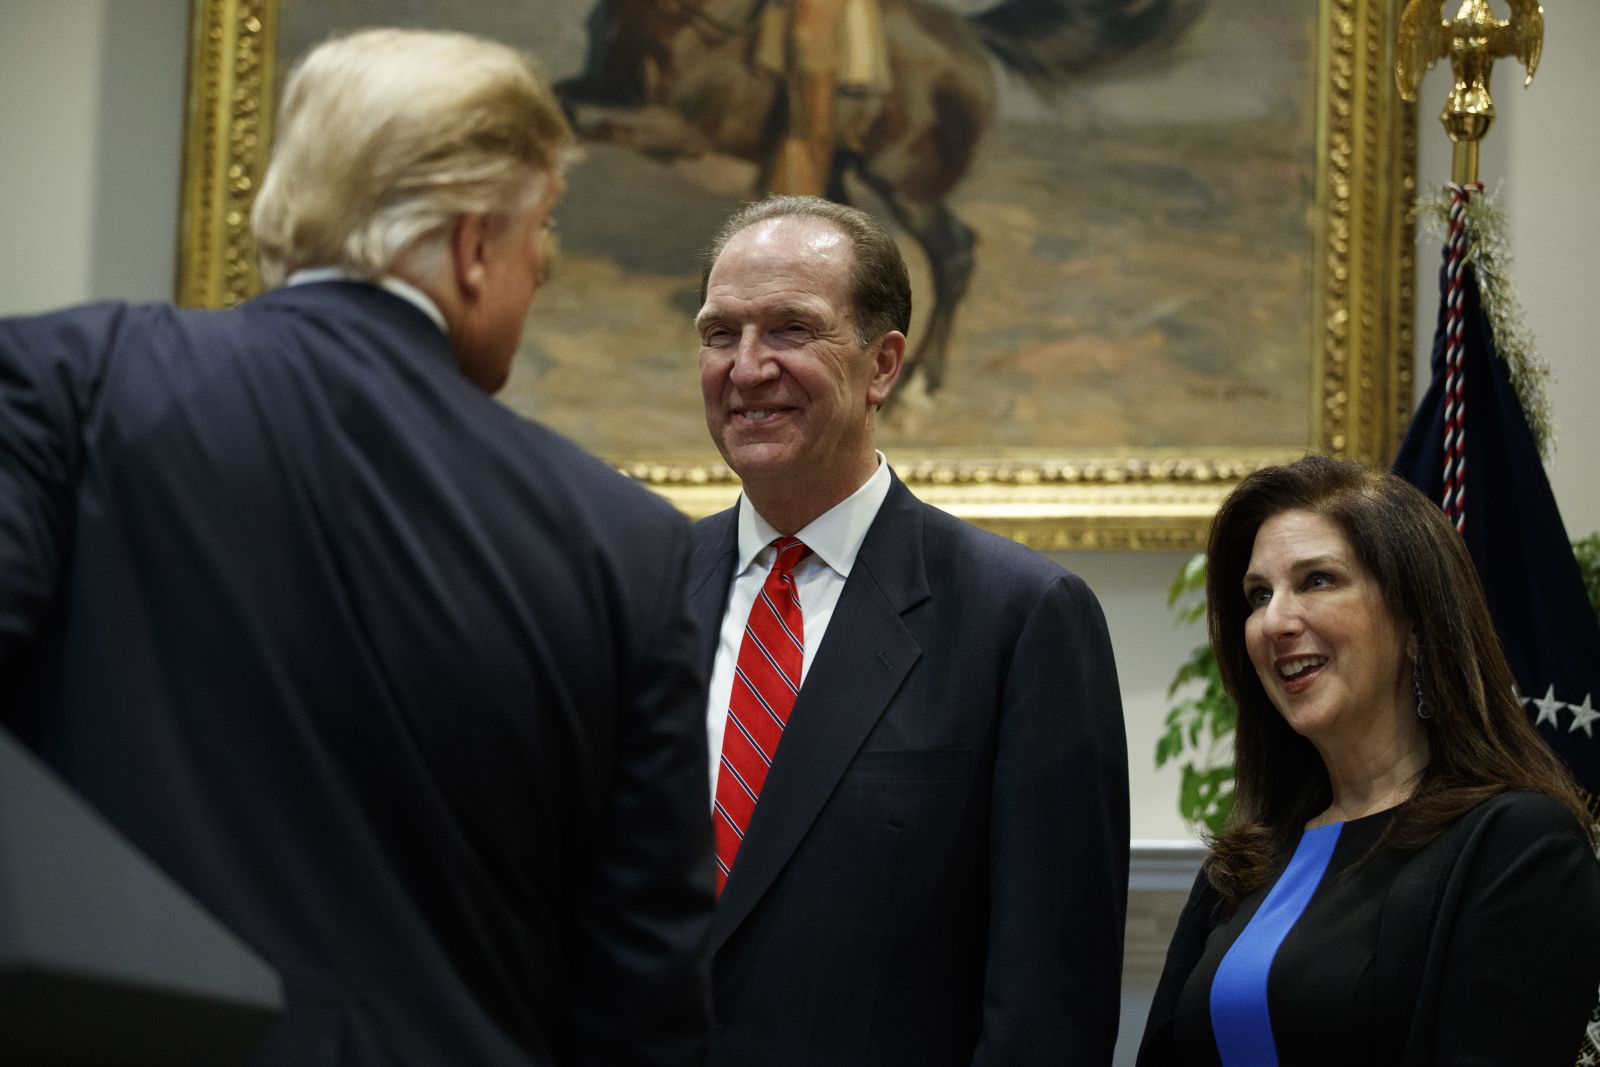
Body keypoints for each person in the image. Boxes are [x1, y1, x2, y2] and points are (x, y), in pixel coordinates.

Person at [0, 28, 713, 1066]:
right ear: (475, 247)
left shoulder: (65, 383)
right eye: (541, 234)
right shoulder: (629, 547)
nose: (542, 269)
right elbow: (643, 997)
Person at [688, 194, 1129, 1064]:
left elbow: (1049, 1009)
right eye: (718, 333)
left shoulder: (1020, 618)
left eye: (789, 330)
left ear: (883, 364)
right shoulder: (636, 592)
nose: (746, 367)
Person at [1136, 454, 1600, 1066]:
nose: (1274, 620)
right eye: (1258, 595)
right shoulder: (1247, 863)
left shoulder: (1520, 845)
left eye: (1317, 580)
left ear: (1416, 623)